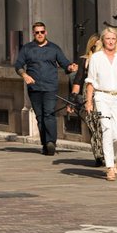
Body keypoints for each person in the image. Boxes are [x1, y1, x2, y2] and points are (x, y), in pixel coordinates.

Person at [14, 21, 78, 156]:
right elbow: (18, 64)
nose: (39, 34)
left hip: (50, 87)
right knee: (40, 116)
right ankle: (45, 143)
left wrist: (70, 67)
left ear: (46, 32)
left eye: (42, 32)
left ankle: (51, 143)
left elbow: (64, 63)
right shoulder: (27, 48)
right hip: (34, 88)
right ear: (33, 33)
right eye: (37, 32)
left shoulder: (54, 48)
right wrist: (24, 75)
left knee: (49, 113)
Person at [84, 27, 117, 181]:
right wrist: (89, 101)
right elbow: (90, 81)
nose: (111, 42)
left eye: (113, 39)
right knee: (106, 130)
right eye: (108, 39)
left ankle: (112, 157)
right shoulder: (96, 58)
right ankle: (110, 167)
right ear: (103, 41)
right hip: (102, 97)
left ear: (116, 41)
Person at [70, 35, 105, 167]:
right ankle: (98, 154)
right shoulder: (84, 60)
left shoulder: (108, 59)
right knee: (93, 124)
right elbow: (78, 80)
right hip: (88, 94)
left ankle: (106, 153)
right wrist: (72, 98)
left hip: (104, 92)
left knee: (104, 124)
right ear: (92, 46)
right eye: (97, 45)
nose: (100, 48)